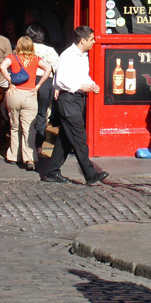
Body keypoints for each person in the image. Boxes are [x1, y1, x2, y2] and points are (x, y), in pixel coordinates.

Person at [42, 25, 109, 185]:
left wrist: (91, 85)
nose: (94, 42)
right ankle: (90, 173)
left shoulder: (82, 55)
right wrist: (80, 87)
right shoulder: (68, 56)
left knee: (65, 139)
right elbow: (61, 80)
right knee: (79, 138)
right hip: (68, 100)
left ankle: (51, 171)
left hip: (77, 100)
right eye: (92, 39)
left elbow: (81, 76)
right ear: (83, 40)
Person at [0, 36, 51, 170]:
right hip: (30, 95)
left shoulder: (12, 57)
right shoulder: (35, 59)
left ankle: (13, 155)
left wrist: (10, 81)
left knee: (15, 126)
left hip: (14, 94)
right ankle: (29, 158)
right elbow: (48, 69)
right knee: (29, 128)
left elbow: (2, 67)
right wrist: (38, 85)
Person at [26, 24, 59, 157]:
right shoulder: (50, 50)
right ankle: (39, 147)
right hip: (45, 83)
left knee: (27, 115)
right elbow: (57, 69)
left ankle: (27, 147)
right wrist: (57, 87)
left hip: (28, 82)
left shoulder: (24, 49)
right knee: (42, 114)